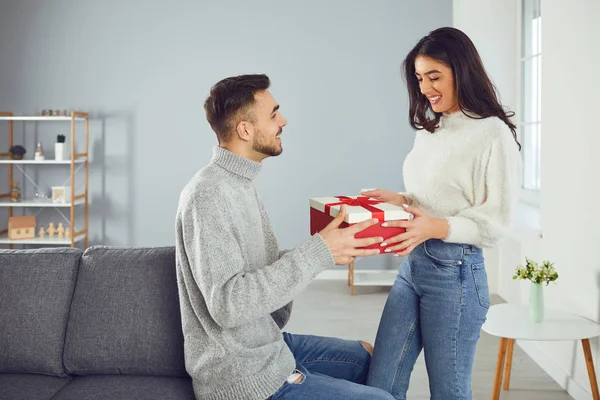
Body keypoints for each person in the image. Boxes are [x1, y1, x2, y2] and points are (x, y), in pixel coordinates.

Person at [175, 74, 396, 400]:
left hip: (265, 344)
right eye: (273, 114)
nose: (284, 121)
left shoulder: (240, 183)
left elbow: (261, 274)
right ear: (245, 130)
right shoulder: (207, 195)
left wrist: (330, 247)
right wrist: (317, 253)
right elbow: (228, 304)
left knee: (372, 358)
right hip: (240, 374)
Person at [362, 27, 522, 399]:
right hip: (414, 267)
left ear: (461, 72)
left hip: (457, 276)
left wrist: (435, 226)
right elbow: (437, 195)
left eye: (435, 76)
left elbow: (497, 221)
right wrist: (402, 200)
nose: (426, 88)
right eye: (420, 79)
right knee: (381, 384)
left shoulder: (491, 134)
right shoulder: (432, 128)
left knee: (448, 392)